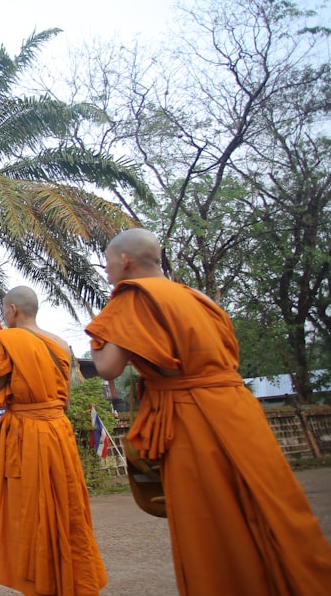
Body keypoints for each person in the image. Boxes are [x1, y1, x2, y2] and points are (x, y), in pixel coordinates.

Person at [86, 228, 331, 595]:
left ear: (125, 261)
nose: (106, 272)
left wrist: (98, 333)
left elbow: (107, 368)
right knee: (268, 504)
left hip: (191, 418)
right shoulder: (198, 298)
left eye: (107, 264)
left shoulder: (133, 298)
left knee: (210, 521)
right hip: (238, 410)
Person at [0, 286, 107, 595]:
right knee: (65, 505)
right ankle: (70, 579)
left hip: (26, 434)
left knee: (30, 512)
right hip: (59, 432)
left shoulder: (7, 342)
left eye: (4, 310)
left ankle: (40, 583)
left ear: (12, 310)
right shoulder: (62, 344)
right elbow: (64, 398)